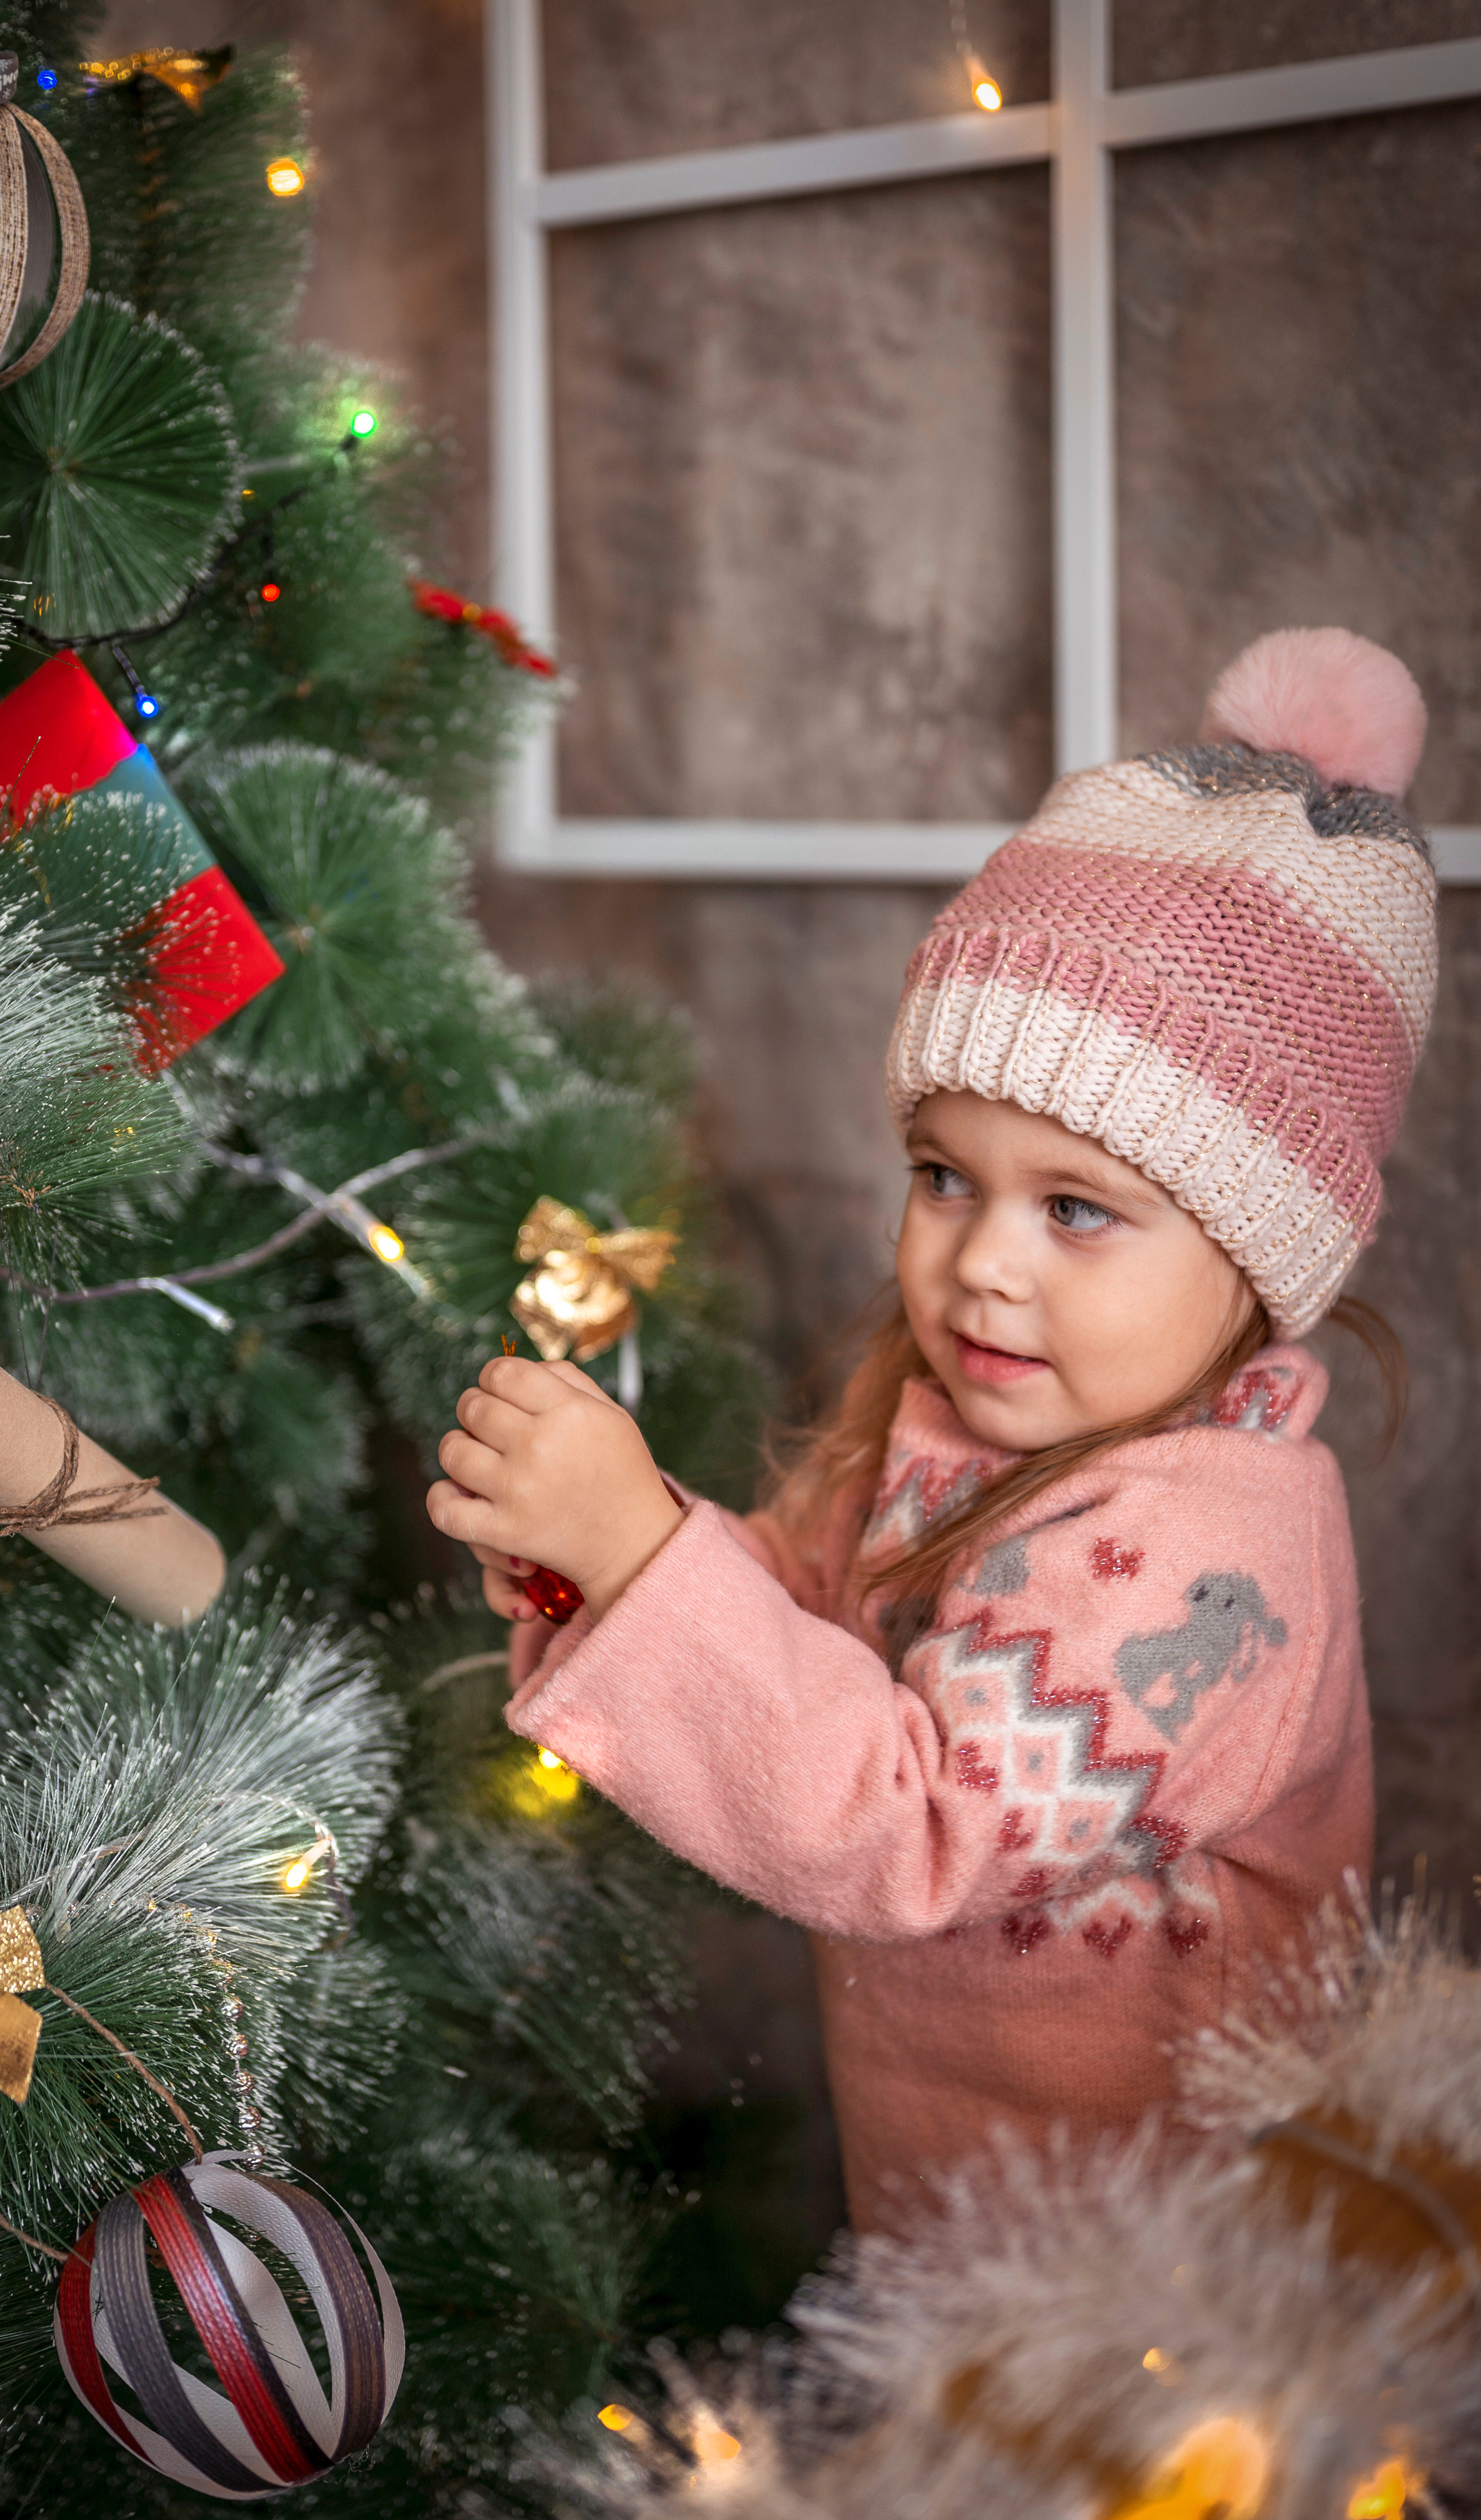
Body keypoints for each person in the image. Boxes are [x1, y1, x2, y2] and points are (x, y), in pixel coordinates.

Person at [427, 627, 1432, 2251]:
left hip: (1166, 2288)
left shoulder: (1203, 1548)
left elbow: (915, 1823)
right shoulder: (966, 1411)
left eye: (1076, 1210)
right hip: (956, 2221)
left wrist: (640, 1555)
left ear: (1255, 1251)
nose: (981, 1259)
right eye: (943, 1174)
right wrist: (602, 1560)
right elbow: (796, 1611)